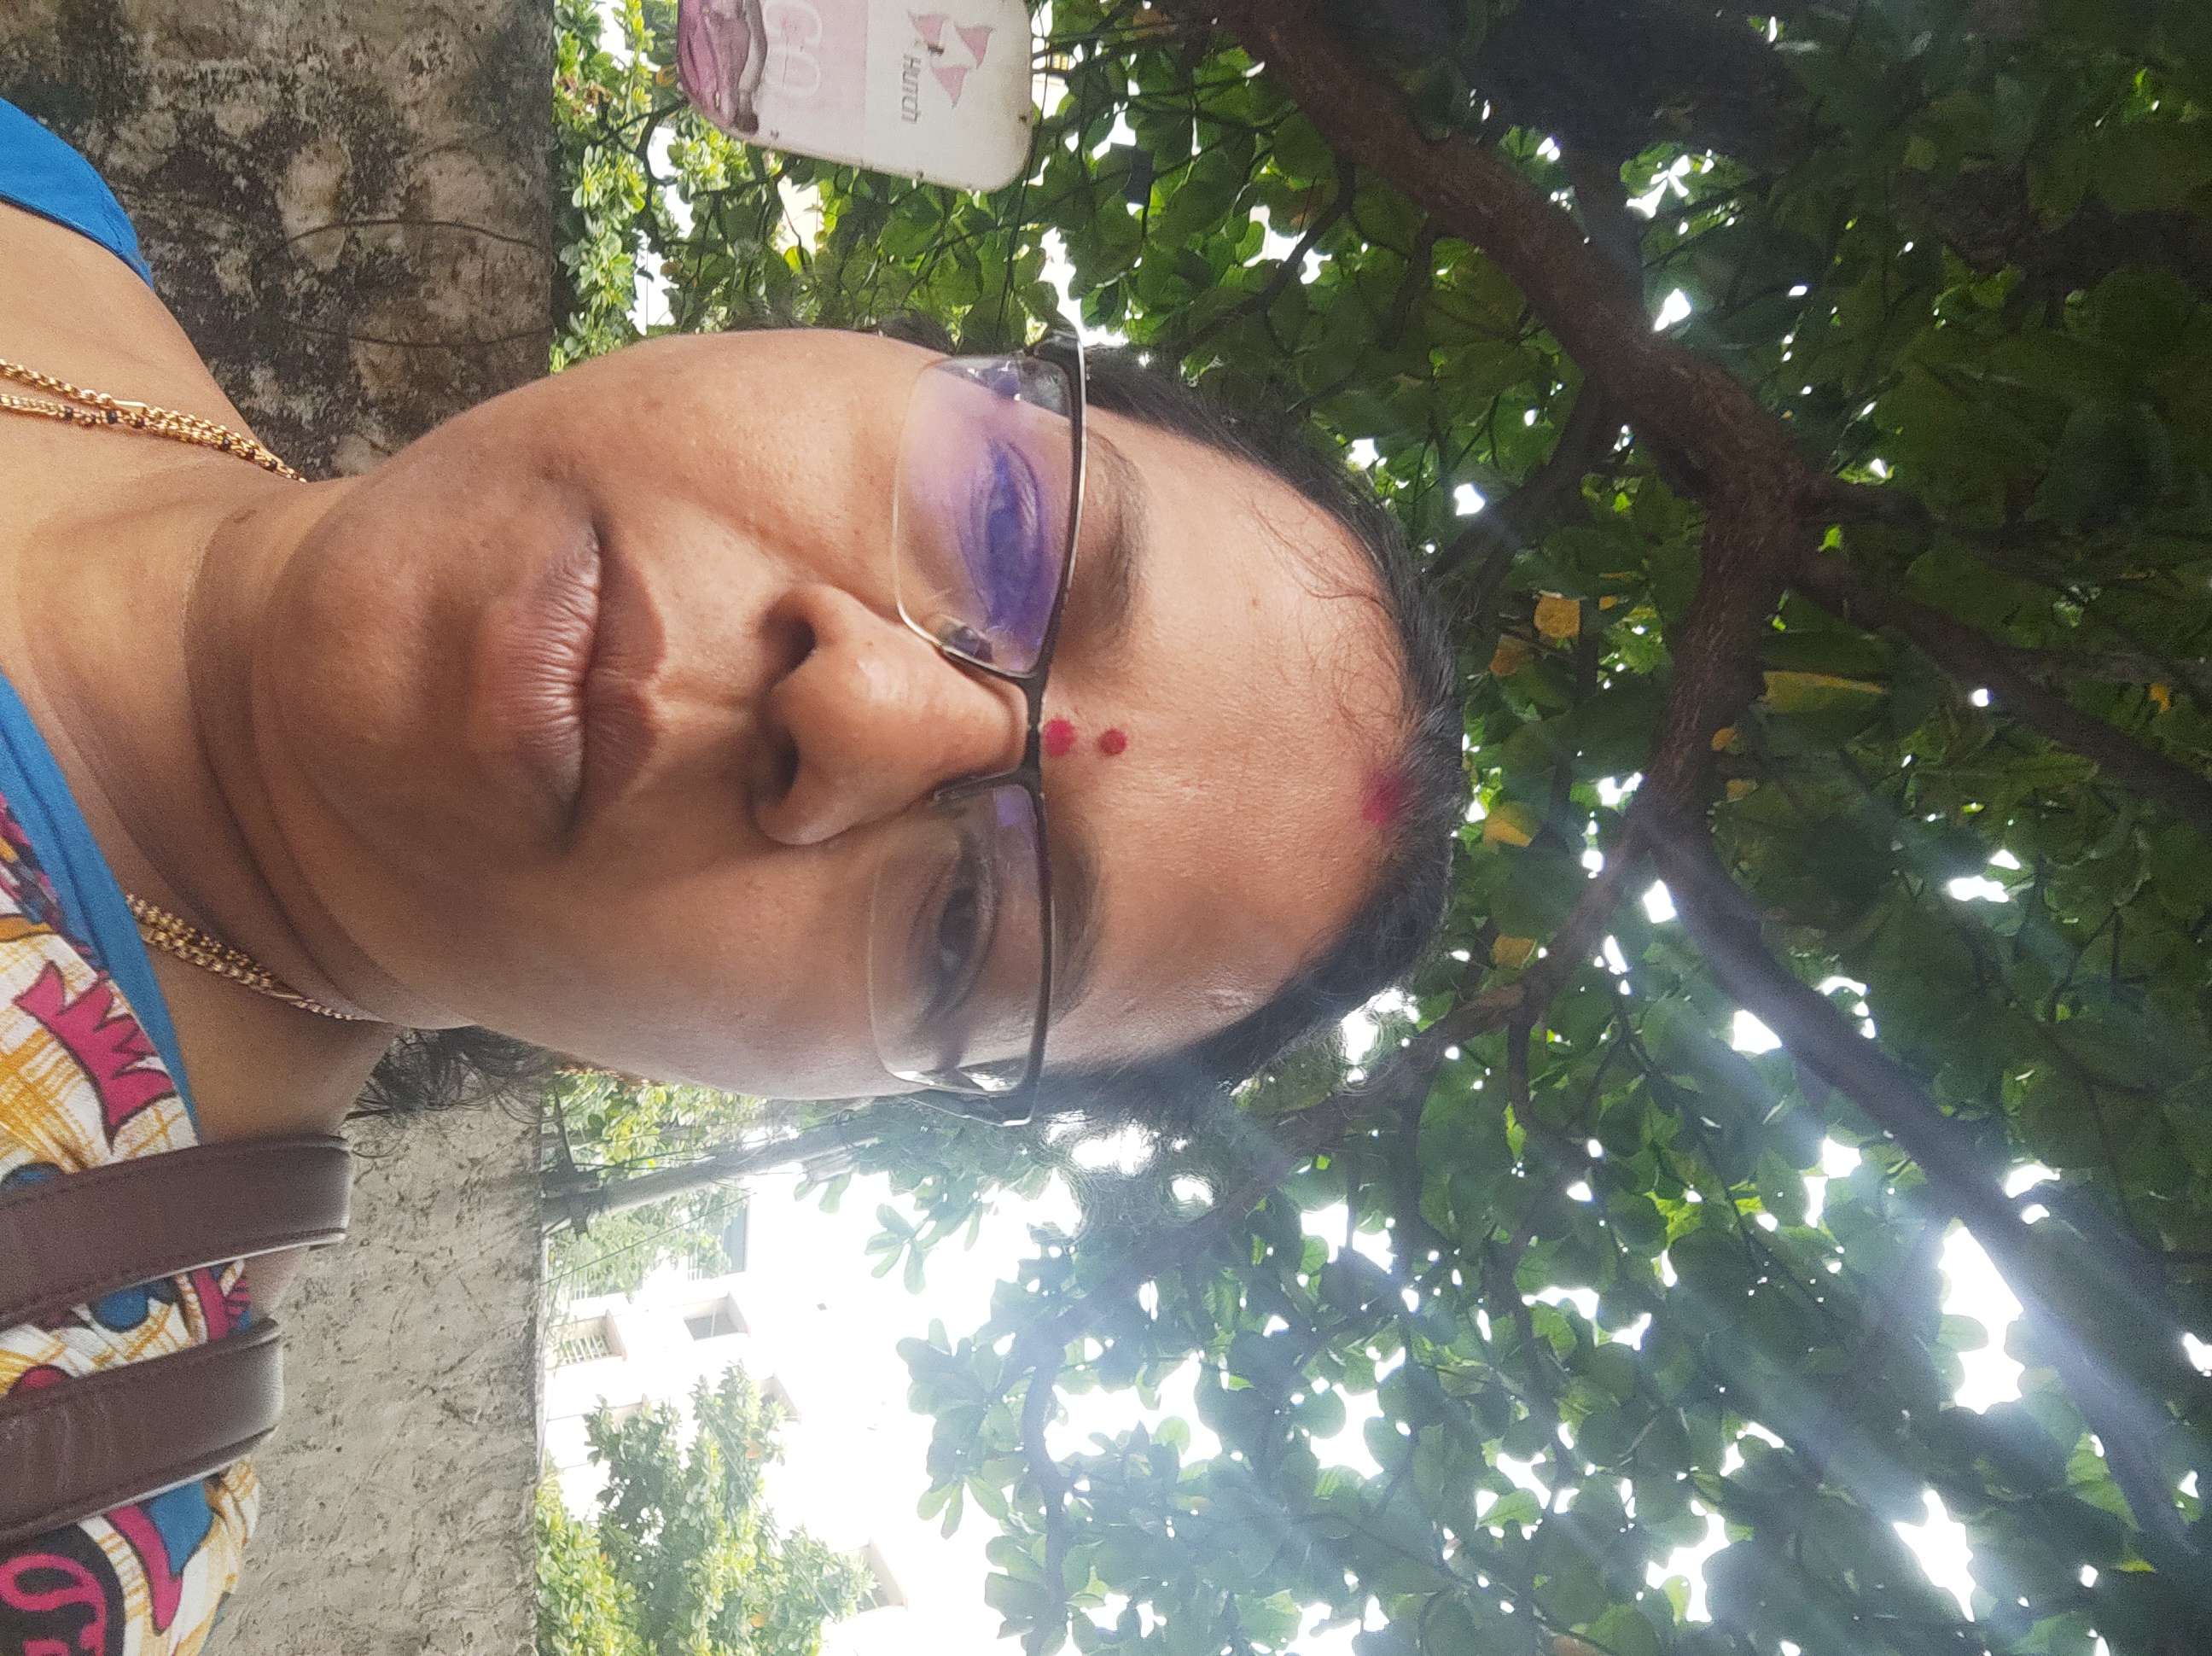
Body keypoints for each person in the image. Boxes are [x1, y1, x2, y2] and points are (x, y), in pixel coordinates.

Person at [0, 93, 1459, 1649]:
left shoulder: (62, 1473)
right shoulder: (45, 207)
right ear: (864, 346)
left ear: (785, 1084)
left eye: (965, 926)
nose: (860, 708)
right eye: (1004, 521)